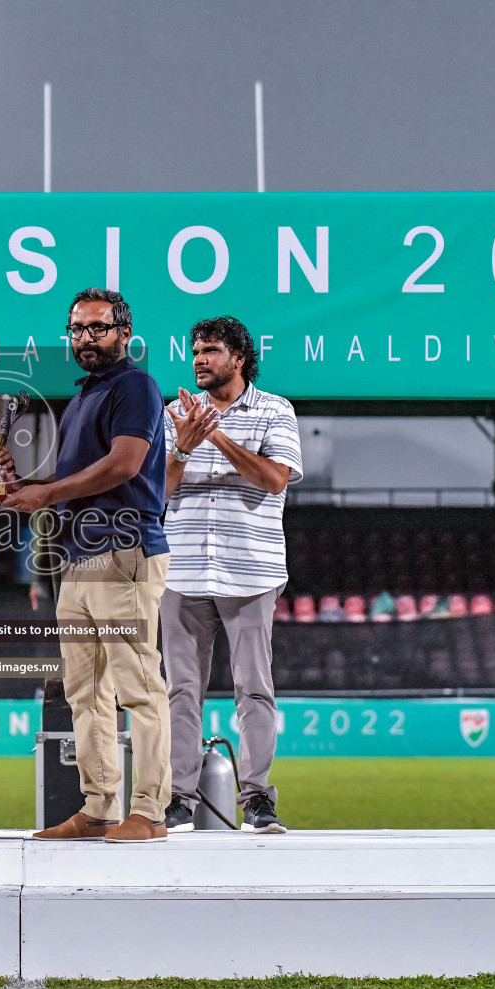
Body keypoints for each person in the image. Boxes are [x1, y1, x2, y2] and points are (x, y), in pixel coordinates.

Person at [4, 288, 172, 844]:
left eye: (97, 328)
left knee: (139, 686)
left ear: (125, 333)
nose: (85, 338)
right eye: (77, 329)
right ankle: (100, 806)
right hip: (79, 560)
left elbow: (124, 465)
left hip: (124, 552)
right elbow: (70, 486)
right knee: (86, 690)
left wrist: (46, 492)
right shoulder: (83, 397)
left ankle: (149, 810)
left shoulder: (135, 386)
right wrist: (28, 486)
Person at [160, 315, 301, 834]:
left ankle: (258, 800)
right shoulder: (174, 413)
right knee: (179, 690)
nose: (199, 358)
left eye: (211, 350)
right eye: (195, 350)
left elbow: (274, 478)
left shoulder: (274, 411)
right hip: (184, 570)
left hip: (251, 571)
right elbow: (160, 491)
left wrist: (213, 437)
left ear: (239, 358)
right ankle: (178, 798)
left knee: (254, 689)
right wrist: (182, 445)